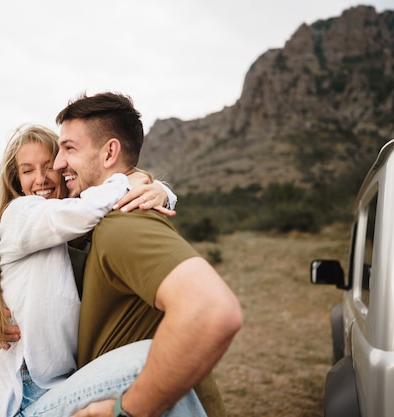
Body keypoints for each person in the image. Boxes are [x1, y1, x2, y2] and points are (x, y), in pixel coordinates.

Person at [50, 92, 244, 417]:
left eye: (69, 148)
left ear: (110, 151)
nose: (58, 164)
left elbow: (212, 310)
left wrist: (129, 410)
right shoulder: (106, 215)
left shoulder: (125, 222)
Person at [0, 124, 180, 416]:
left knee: (169, 377)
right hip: (33, 395)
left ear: (63, 168)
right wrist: (136, 178)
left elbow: (93, 207)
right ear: (16, 179)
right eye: (27, 170)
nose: (40, 179)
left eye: (47, 166)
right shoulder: (21, 214)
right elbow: (87, 210)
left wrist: (160, 191)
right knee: (157, 362)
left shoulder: (69, 224)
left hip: (68, 382)